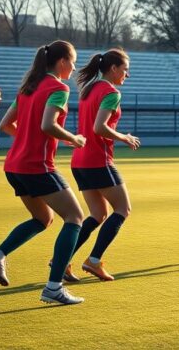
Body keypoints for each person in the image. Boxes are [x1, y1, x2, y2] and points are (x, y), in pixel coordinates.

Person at [0, 40, 86, 305]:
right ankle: (53, 287)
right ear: (63, 61)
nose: (75, 67)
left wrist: (30, 137)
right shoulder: (59, 87)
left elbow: (6, 124)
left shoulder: (27, 88)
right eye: (74, 61)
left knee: (43, 218)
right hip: (37, 166)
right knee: (75, 217)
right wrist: (74, 139)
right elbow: (48, 124)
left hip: (14, 166)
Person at [65, 48, 140, 282]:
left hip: (80, 161)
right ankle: (94, 261)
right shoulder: (111, 92)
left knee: (98, 214)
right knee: (123, 210)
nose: (127, 75)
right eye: (125, 70)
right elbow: (99, 127)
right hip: (98, 160)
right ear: (114, 68)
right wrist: (124, 137)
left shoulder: (90, 89)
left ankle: (63, 260)